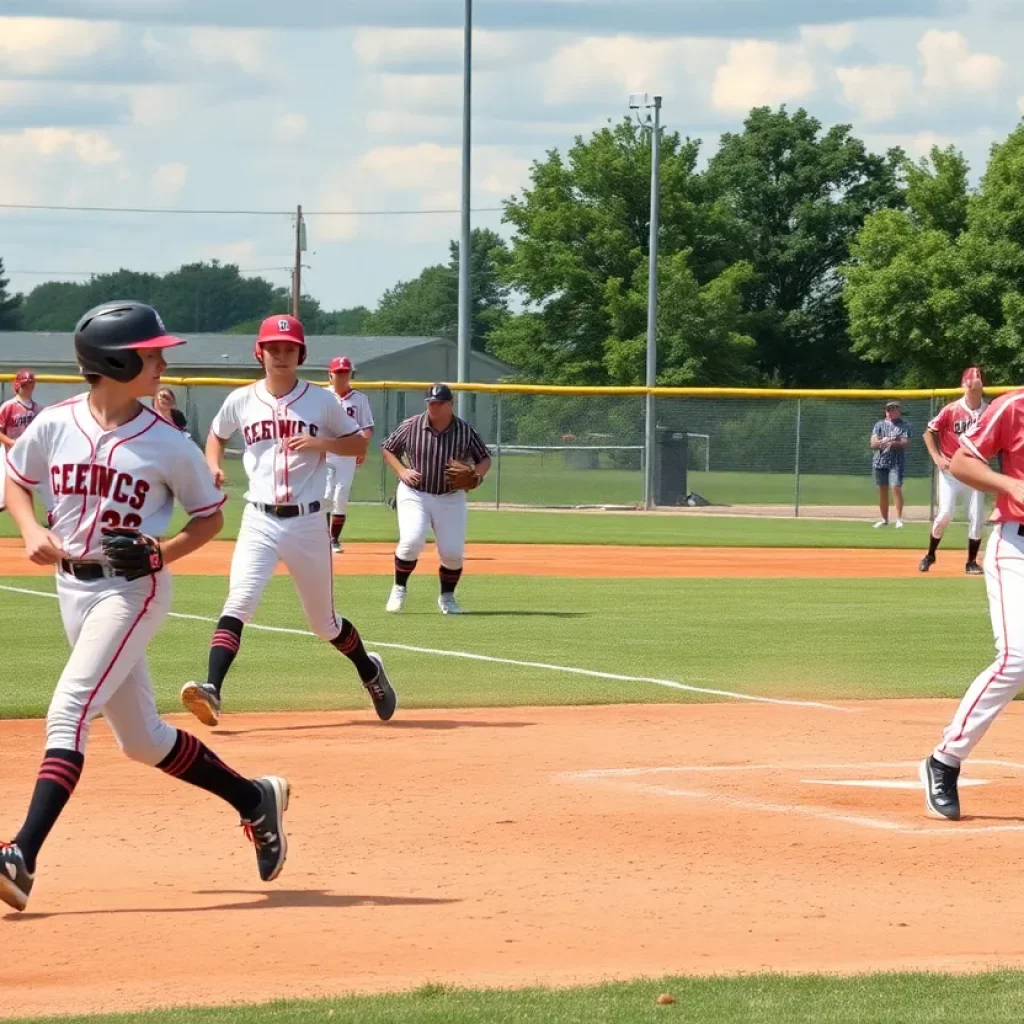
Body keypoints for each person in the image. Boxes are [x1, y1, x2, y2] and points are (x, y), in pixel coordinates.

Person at [0, 301, 289, 913]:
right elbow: (17, 481)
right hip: (71, 587)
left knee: (69, 709)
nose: (162, 360)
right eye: (151, 352)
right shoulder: (54, 423)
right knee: (141, 740)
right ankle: (253, 799)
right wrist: (28, 531)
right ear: (114, 360)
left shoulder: (168, 443)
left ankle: (22, 855)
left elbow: (209, 517)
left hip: (133, 589)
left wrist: (163, 551)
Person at [179, 314, 396, 728]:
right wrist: (211, 465)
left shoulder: (321, 401)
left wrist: (320, 442)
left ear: (301, 354)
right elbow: (216, 435)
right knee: (239, 601)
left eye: (289, 348)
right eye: (273, 348)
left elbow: (356, 443)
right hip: (258, 518)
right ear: (259, 352)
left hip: (307, 523)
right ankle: (213, 690)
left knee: (324, 624)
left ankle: (370, 672)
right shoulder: (242, 399)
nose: (281, 355)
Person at [921, 386, 1024, 820]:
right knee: (1018, 656)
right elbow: (962, 461)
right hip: (1017, 546)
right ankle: (944, 759)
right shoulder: (1013, 406)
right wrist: (1009, 483)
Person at [381, 383, 491, 615]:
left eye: (439, 403)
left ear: (450, 404)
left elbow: (484, 458)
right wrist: (402, 471)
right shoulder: (412, 425)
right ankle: (399, 588)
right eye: (431, 402)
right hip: (415, 492)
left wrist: (477, 477)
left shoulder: (464, 430)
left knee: (452, 553)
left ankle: (447, 597)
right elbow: (388, 448)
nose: (434, 406)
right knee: (411, 541)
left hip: (450, 497)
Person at [919, 367, 987, 575]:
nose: (978, 379)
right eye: (974, 377)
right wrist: (937, 457)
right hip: (951, 471)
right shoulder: (951, 409)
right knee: (945, 514)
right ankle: (930, 554)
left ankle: (971, 562)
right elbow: (929, 433)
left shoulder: (989, 411)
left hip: (976, 471)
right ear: (965, 384)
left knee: (977, 517)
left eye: (980, 377)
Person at [323, 356, 374, 554]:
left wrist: (362, 447)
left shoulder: (359, 399)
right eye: (339, 373)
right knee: (326, 493)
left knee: (341, 494)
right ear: (330, 375)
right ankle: (323, 538)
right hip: (326, 451)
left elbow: (367, 427)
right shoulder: (322, 396)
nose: (343, 376)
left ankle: (334, 538)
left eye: (346, 373)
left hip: (347, 453)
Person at [0, 369, 42, 513]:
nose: (28, 387)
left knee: (33, 486)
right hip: (8, 454)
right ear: (18, 385)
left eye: (30, 384)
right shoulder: (9, 406)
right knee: (3, 495)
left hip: (28, 455)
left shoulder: (37, 409)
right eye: (25, 384)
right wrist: (11, 443)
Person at [870, 401, 911, 529]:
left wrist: (890, 442)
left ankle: (899, 519)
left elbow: (905, 442)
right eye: (888, 409)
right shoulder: (879, 425)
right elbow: (873, 443)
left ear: (899, 411)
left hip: (896, 462)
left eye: (893, 409)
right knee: (882, 490)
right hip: (880, 462)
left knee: (895, 487)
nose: (890, 412)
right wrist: (882, 441)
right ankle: (884, 519)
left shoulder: (904, 425)